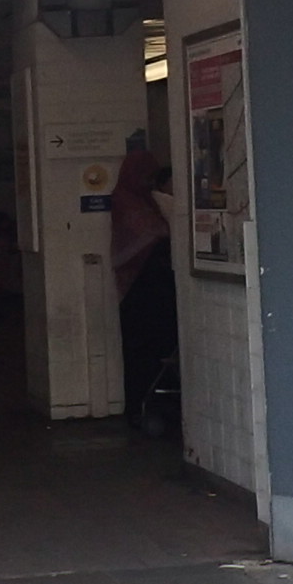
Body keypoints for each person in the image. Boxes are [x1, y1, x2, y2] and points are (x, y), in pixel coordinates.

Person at [108, 134, 179, 437]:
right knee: (140, 352)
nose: (149, 181)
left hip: (154, 288)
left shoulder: (148, 200)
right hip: (139, 290)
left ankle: (157, 407)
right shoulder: (126, 200)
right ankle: (139, 408)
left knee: (156, 350)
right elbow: (151, 232)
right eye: (146, 175)